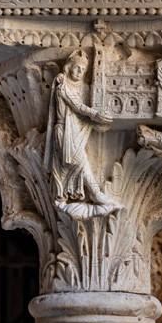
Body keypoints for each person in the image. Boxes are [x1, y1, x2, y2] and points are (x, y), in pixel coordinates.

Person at [44, 50, 122, 220]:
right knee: (78, 161)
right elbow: (76, 106)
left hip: (74, 132)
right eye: (77, 68)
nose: (80, 72)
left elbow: (79, 114)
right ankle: (93, 193)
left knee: (76, 163)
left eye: (83, 70)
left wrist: (97, 121)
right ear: (67, 67)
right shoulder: (62, 84)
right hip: (64, 133)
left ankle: (74, 196)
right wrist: (95, 115)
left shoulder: (80, 88)